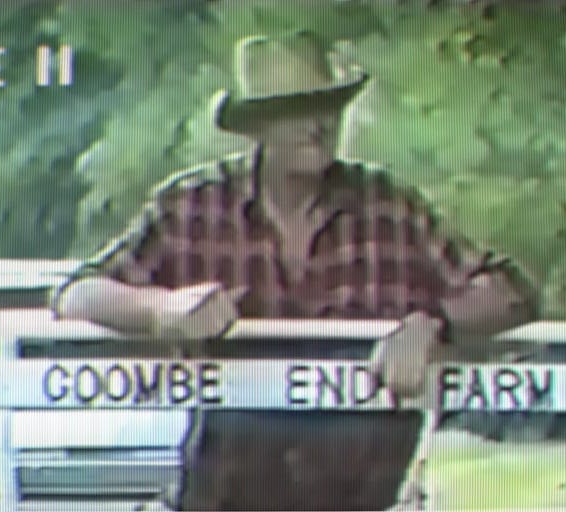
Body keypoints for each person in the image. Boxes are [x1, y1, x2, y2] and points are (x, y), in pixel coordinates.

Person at [51, 31, 537, 509]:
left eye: (328, 106)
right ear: (256, 126)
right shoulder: (195, 207)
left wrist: (435, 324)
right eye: (295, 110)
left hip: (358, 500)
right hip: (223, 499)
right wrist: (158, 310)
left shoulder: (389, 208)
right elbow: (77, 292)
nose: (318, 124)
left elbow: (512, 289)